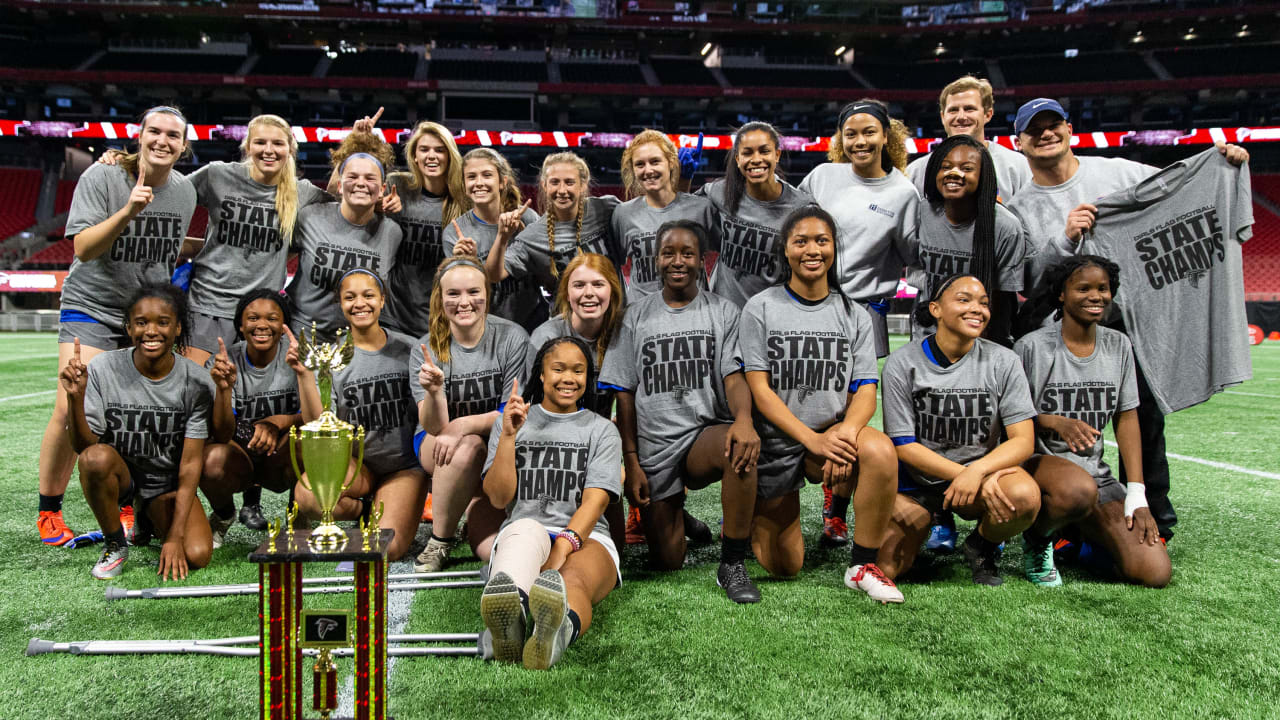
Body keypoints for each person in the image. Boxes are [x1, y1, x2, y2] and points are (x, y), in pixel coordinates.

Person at [1007, 97, 1250, 543]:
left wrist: (1224, 163)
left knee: (1142, 412)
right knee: (1067, 421)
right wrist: (1064, 239)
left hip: (1132, 321)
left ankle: (1152, 508)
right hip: (1061, 331)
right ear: (1019, 142)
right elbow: (1026, 279)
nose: (1045, 134)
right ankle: (1063, 521)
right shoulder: (1020, 208)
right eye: (1034, 130)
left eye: (1053, 125)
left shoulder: (1118, 172)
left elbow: (1178, 190)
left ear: (1069, 128)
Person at [39, 106, 197, 547]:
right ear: (139, 136)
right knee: (71, 403)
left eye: (172, 135)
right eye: (154, 132)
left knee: (132, 412)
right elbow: (85, 248)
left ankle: (124, 497)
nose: (162, 141)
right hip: (92, 306)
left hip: (144, 319)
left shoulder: (185, 190)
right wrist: (129, 209)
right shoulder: (102, 177)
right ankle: (49, 509)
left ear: (184, 146)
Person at [741, 206, 902, 603]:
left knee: (879, 449)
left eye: (821, 241)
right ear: (785, 250)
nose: (811, 250)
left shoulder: (855, 314)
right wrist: (811, 442)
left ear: (833, 248)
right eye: (801, 241)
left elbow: (865, 387)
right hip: (779, 441)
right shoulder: (760, 307)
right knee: (784, 565)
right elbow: (760, 391)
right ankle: (754, 519)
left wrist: (844, 435)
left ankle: (862, 563)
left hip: (832, 433)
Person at [599, 220, 761, 602]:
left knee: (739, 447)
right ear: (655, 259)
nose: (678, 261)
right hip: (655, 447)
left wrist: (743, 420)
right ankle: (679, 515)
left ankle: (733, 562)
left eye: (687, 253)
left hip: (703, 435)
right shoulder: (634, 316)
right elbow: (624, 394)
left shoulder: (723, 311)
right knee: (667, 560)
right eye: (669, 252)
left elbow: (734, 376)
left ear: (702, 259)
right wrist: (632, 462)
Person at [1014, 256, 1171, 587]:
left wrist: (1137, 494)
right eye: (1083, 288)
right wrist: (1055, 422)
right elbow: (1009, 419)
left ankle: (1079, 543)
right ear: (1061, 294)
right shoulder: (1032, 347)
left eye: (1103, 288)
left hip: (1094, 478)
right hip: (1039, 469)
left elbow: (1126, 418)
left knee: (1154, 573)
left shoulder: (1119, 345)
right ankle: (1038, 540)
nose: (1095, 296)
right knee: (1075, 490)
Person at [878, 275, 1043, 586]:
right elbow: (903, 445)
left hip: (979, 480)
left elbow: (1023, 441)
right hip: (918, 481)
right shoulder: (902, 363)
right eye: (964, 300)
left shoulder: (1004, 361)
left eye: (983, 303)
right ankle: (930, 519)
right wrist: (959, 473)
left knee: (1023, 497)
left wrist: (976, 471)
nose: (977, 309)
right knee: (888, 568)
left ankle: (982, 545)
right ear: (936, 309)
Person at [478, 336, 622, 669]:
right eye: (558, 369)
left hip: (587, 537)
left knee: (570, 584)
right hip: (526, 529)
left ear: (587, 378)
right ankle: (509, 625)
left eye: (578, 371)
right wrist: (510, 437)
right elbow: (499, 497)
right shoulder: (509, 422)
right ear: (541, 374)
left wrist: (562, 548)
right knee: (524, 534)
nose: (568, 378)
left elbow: (596, 501)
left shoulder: (601, 430)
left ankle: (552, 637)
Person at [60, 283, 214, 580]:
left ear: (178, 327)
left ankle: (146, 517)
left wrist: (172, 537)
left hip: (167, 483)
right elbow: (84, 447)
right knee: (95, 460)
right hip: (124, 477)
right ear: (129, 328)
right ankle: (115, 542)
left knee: (197, 555)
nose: (151, 331)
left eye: (163, 322)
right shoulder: (104, 368)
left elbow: (192, 463)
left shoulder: (197, 381)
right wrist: (75, 399)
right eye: (141, 323)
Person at [290, 269, 425, 562]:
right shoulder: (330, 358)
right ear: (340, 304)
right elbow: (317, 428)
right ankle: (364, 510)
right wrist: (303, 375)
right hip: (357, 465)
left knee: (387, 549)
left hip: (402, 467)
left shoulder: (411, 349)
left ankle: (386, 505)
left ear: (382, 300)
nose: (359, 303)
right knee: (308, 496)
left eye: (368, 295)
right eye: (349, 297)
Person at [409, 256, 531, 572]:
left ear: (487, 295)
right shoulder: (426, 348)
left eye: (473, 292)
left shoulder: (513, 337)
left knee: (491, 550)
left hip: (495, 447)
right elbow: (433, 427)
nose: (464, 302)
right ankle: (440, 539)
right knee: (469, 447)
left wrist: (463, 423)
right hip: (440, 446)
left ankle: (469, 511)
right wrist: (435, 391)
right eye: (453, 294)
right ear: (440, 298)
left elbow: (510, 417)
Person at [799, 98, 916, 360]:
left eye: (869, 132)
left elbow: (912, 256)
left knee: (859, 394)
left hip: (865, 313)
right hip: (813, 307)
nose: (860, 142)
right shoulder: (822, 176)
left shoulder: (903, 194)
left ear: (886, 136)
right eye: (850, 135)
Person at [528, 253, 632, 548]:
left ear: (612, 290)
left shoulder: (623, 334)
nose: (589, 293)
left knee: (616, 551)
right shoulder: (546, 337)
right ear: (566, 293)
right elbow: (531, 412)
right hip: (551, 447)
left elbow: (627, 403)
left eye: (598, 284)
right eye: (579, 285)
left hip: (600, 445)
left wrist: (622, 461)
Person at [200, 289, 302, 545]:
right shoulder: (221, 361)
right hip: (241, 453)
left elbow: (317, 417)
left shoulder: (299, 357)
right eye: (253, 318)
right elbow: (222, 432)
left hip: (281, 454)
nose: (262, 325)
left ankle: (298, 517)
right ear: (241, 325)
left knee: (309, 441)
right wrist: (223, 390)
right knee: (211, 458)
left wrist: (277, 422)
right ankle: (223, 514)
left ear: (283, 325)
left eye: (272, 318)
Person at [913, 134, 1030, 346]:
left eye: (966, 168)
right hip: (928, 339)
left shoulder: (1005, 226)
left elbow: (1004, 301)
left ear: (983, 175)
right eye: (945, 166)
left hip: (982, 342)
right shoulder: (921, 213)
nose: (954, 173)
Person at [484, 152, 623, 329]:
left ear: (582, 185)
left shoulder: (607, 208)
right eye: (555, 182)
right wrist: (502, 237)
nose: (562, 190)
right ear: (544, 185)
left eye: (569, 182)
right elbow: (494, 274)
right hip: (570, 332)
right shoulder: (533, 236)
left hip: (617, 323)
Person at [289, 132, 401, 342]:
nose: (361, 183)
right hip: (301, 337)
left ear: (382, 190)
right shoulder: (310, 216)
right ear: (339, 185)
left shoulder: (392, 233)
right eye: (352, 177)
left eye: (370, 178)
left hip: (357, 343)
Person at [695, 121, 813, 308]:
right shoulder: (718, 192)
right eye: (747, 153)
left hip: (773, 317)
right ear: (737, 159)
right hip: (726, 317)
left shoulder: (801, 208)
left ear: (777, 155)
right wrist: (683, 179)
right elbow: (679, 216)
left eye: (764, 151)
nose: (756, 159)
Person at [382, 120, 468, 339]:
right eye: (424, 149)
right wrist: (377, 210)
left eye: (439, 150)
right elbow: (343, 194)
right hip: (394, 317)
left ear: (450, 156)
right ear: (414, 156)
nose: (432, 156)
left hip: (439, 319)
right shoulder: (396, 186)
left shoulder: (463, 201)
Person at [613, 129, 717, 302]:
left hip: (692, 316)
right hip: (642, 318)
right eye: (640, 164)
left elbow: (728, 254)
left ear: (670, 163)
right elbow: (613, 265)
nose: (648, 170)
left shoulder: (702, 208)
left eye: (655, 162)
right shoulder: (623, 213)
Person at [443, 148, 541, 326]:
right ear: (464, 186)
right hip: (486, 326)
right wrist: (468, 265)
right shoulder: (454, 233)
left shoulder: (528, 218)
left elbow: (544, 275)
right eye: (471, 177)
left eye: (487, 175)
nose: (479, 183)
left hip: (532, 322)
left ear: (502, 182)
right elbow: (465, 294)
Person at [905, 76, 1031, 202]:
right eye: (953, 110)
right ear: (943, 117)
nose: (961, 116)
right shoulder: (918, 170)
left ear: (988, 114)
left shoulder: (1017, 166)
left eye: (969, 109)